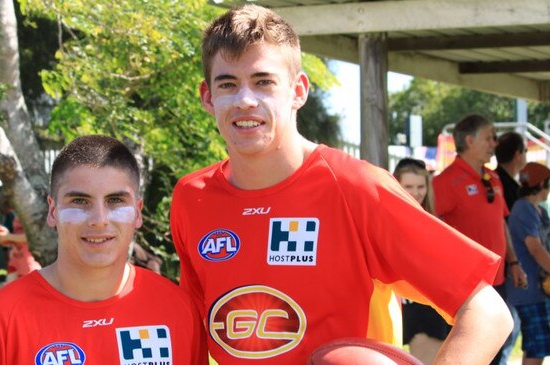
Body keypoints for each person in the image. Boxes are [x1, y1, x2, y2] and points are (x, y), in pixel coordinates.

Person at [171, 5, 512, 364]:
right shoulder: (192, 198)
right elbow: (193, 329)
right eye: (228, 84)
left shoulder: (355, 187)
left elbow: (488, 312)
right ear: (208, 97)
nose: (245, 100)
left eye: (263, 82)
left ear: (298, 90)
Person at [0, 135, 207, 364]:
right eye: (80, 201)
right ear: (53, 211)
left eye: (115, 200)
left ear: (138, 212)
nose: (98, 219)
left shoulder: (177, 309)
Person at [432, 114, 527, 365]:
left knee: (500, 345)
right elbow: (431, 226)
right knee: (469, 352)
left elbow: (501, 222)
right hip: (466, 286)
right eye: (489, 137)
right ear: (470, 141)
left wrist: (514, 262)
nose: (495, 143)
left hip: (499, 279)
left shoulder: (492, 177)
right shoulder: (445, 182)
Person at [393, 158, 450, 365]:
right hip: (391, 304)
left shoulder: (435, 223)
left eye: (420, 186)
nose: (416, 193)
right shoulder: (380, 217)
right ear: (395, 184)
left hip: (424, 307)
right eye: (408, 186)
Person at [505, 162, 550, 365]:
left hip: (537, 289)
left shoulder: (538, 210)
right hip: (528, 289)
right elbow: (535, 248)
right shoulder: (524, 208)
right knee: (537, 344)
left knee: (539, 343)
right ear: (541, 184)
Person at [494, 131, 527, 365]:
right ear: (518, 155)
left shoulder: (494, 180)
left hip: (506, 268)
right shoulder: (504, 186)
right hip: (506, 270)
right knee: (505, 332)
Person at [0, 217, 41, 284]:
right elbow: (17, 236)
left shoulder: (30, 217)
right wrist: (5, 240)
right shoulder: (16, 218)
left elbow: (31, 237)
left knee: (29, 289)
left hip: (28, 263)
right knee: (10, 289)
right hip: (15, 260)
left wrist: (7, 237)